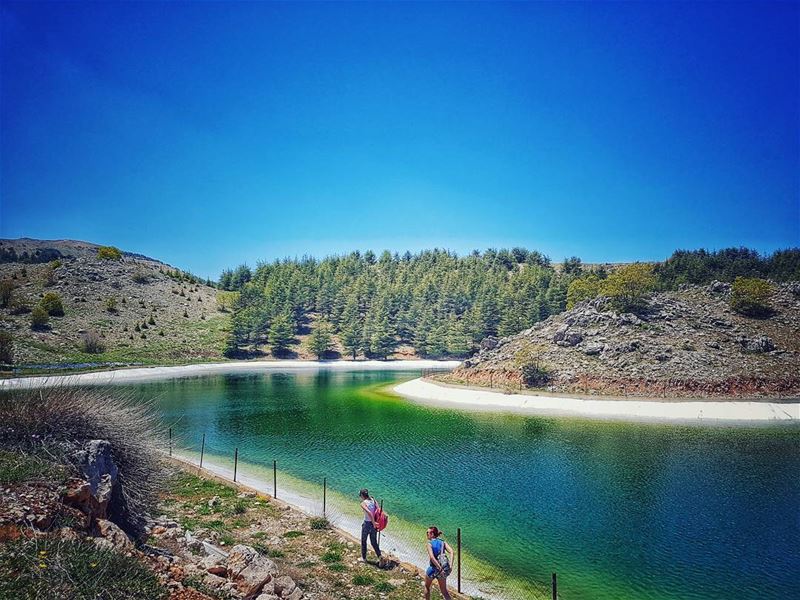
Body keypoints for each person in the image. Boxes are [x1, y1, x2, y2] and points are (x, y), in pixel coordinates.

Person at [424, 526, 453, 600]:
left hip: (433, 569)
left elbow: (432, 557)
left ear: (432, 534)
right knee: (444, 591)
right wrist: (451, 566)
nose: (427, 534)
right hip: (443, 571)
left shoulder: (429, 544)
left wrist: (439, 568)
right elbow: (452, 552)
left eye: (428, 533)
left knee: (427, 586)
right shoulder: (443, 542)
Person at [359, 488, 383, 564]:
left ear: (362, 495)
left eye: (360, 495)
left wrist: (373, 522)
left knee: (364, 541)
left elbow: (369, 513)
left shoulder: (363, 503)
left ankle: (364, 558)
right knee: (374, 542)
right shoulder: (373, 500)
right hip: (374, 525)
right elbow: (378, 510)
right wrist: (376, 523)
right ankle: (380, 557)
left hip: (367, 524)